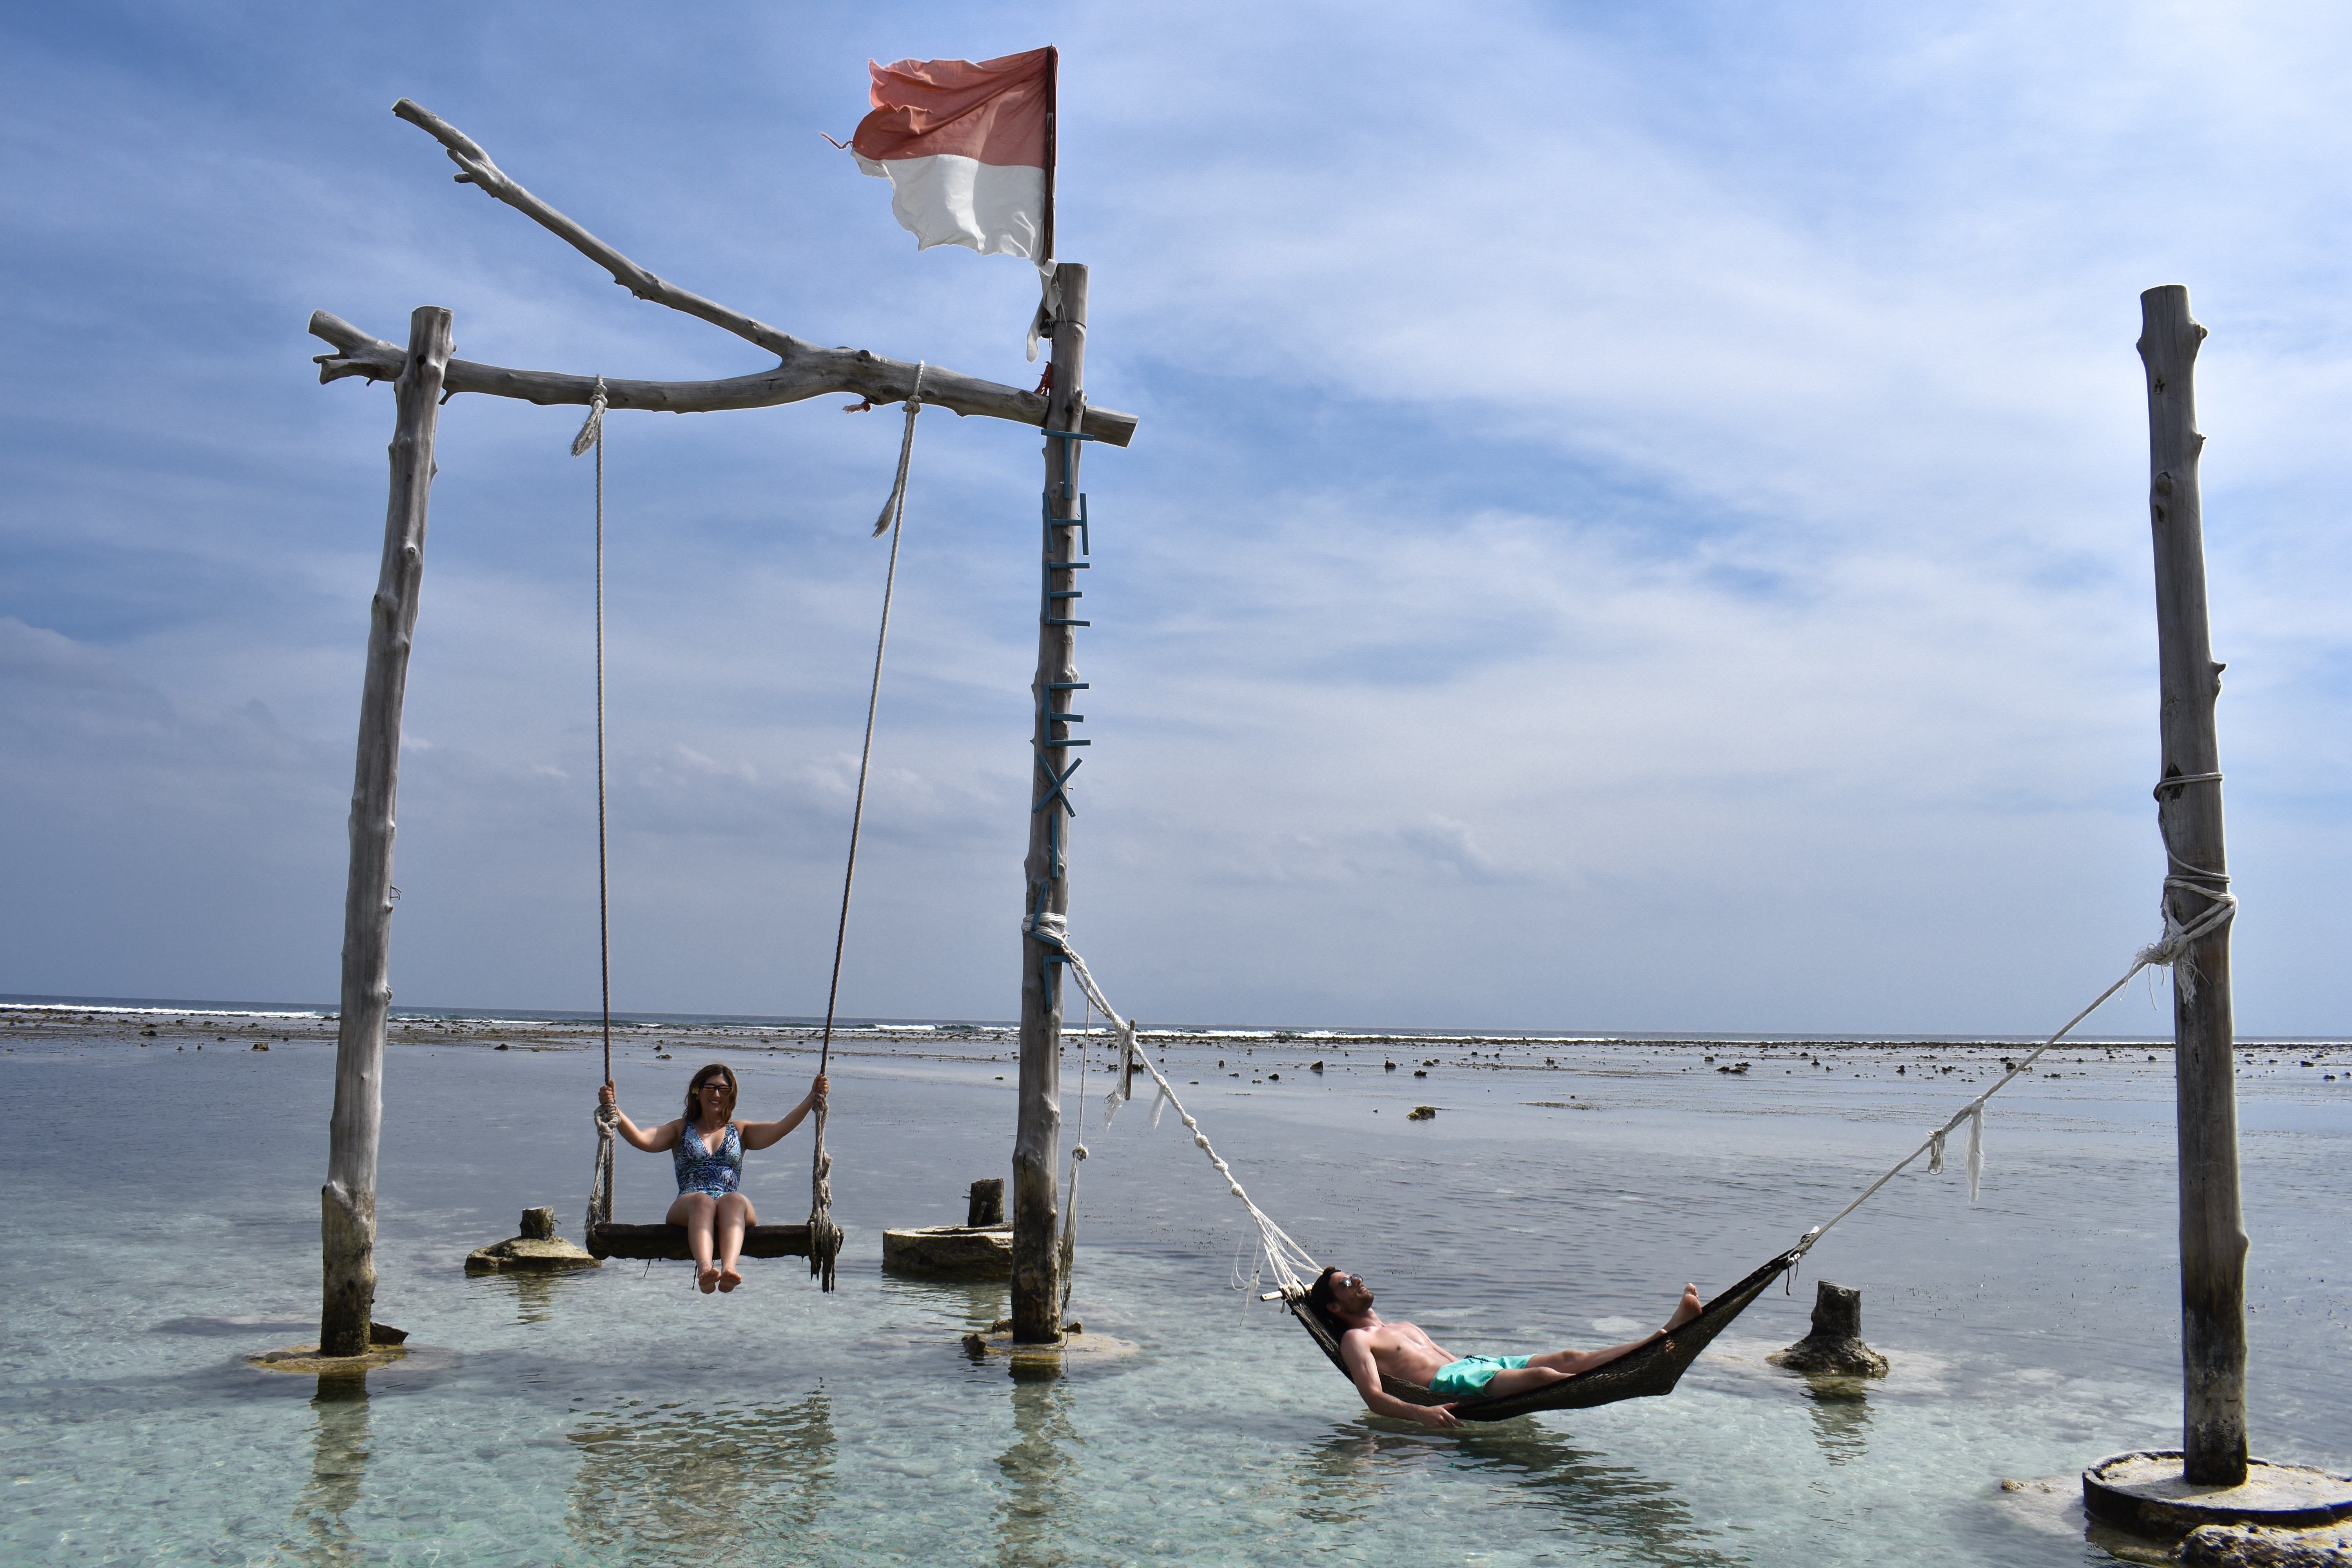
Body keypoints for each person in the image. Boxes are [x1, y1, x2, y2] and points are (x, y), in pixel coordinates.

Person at [1305, 1266, 1705, 1428]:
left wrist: (1482, 1367)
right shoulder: (1357, 1339)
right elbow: (1373, 1396)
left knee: (1570, 1358)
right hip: (1453, 1384)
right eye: (1346, 1284)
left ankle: (1659, 1338)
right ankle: (1640, 1370)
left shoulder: (1402, 1325)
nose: (1357, 1281)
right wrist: (1421, 1412)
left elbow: (1453, 1359)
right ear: (1335, 1308)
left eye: (1354, 1276)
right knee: (1545, 1377)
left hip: (1476, 1365)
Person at [598, 1063, 827, 1295]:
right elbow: (641, 1139)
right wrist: (614, 1109)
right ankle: (705, 1269)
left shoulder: (741, 1131)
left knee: (734, 1199)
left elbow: (781, 1128)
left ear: (731, 1095)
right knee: (702, 1201)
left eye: (723, 1089)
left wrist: (812, 1098)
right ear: (697, 1092)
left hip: (731, 1208)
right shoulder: (679, 1129)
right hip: (690, 1204)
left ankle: (729, 1269)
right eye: (710, 1088)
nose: (716, 1094)